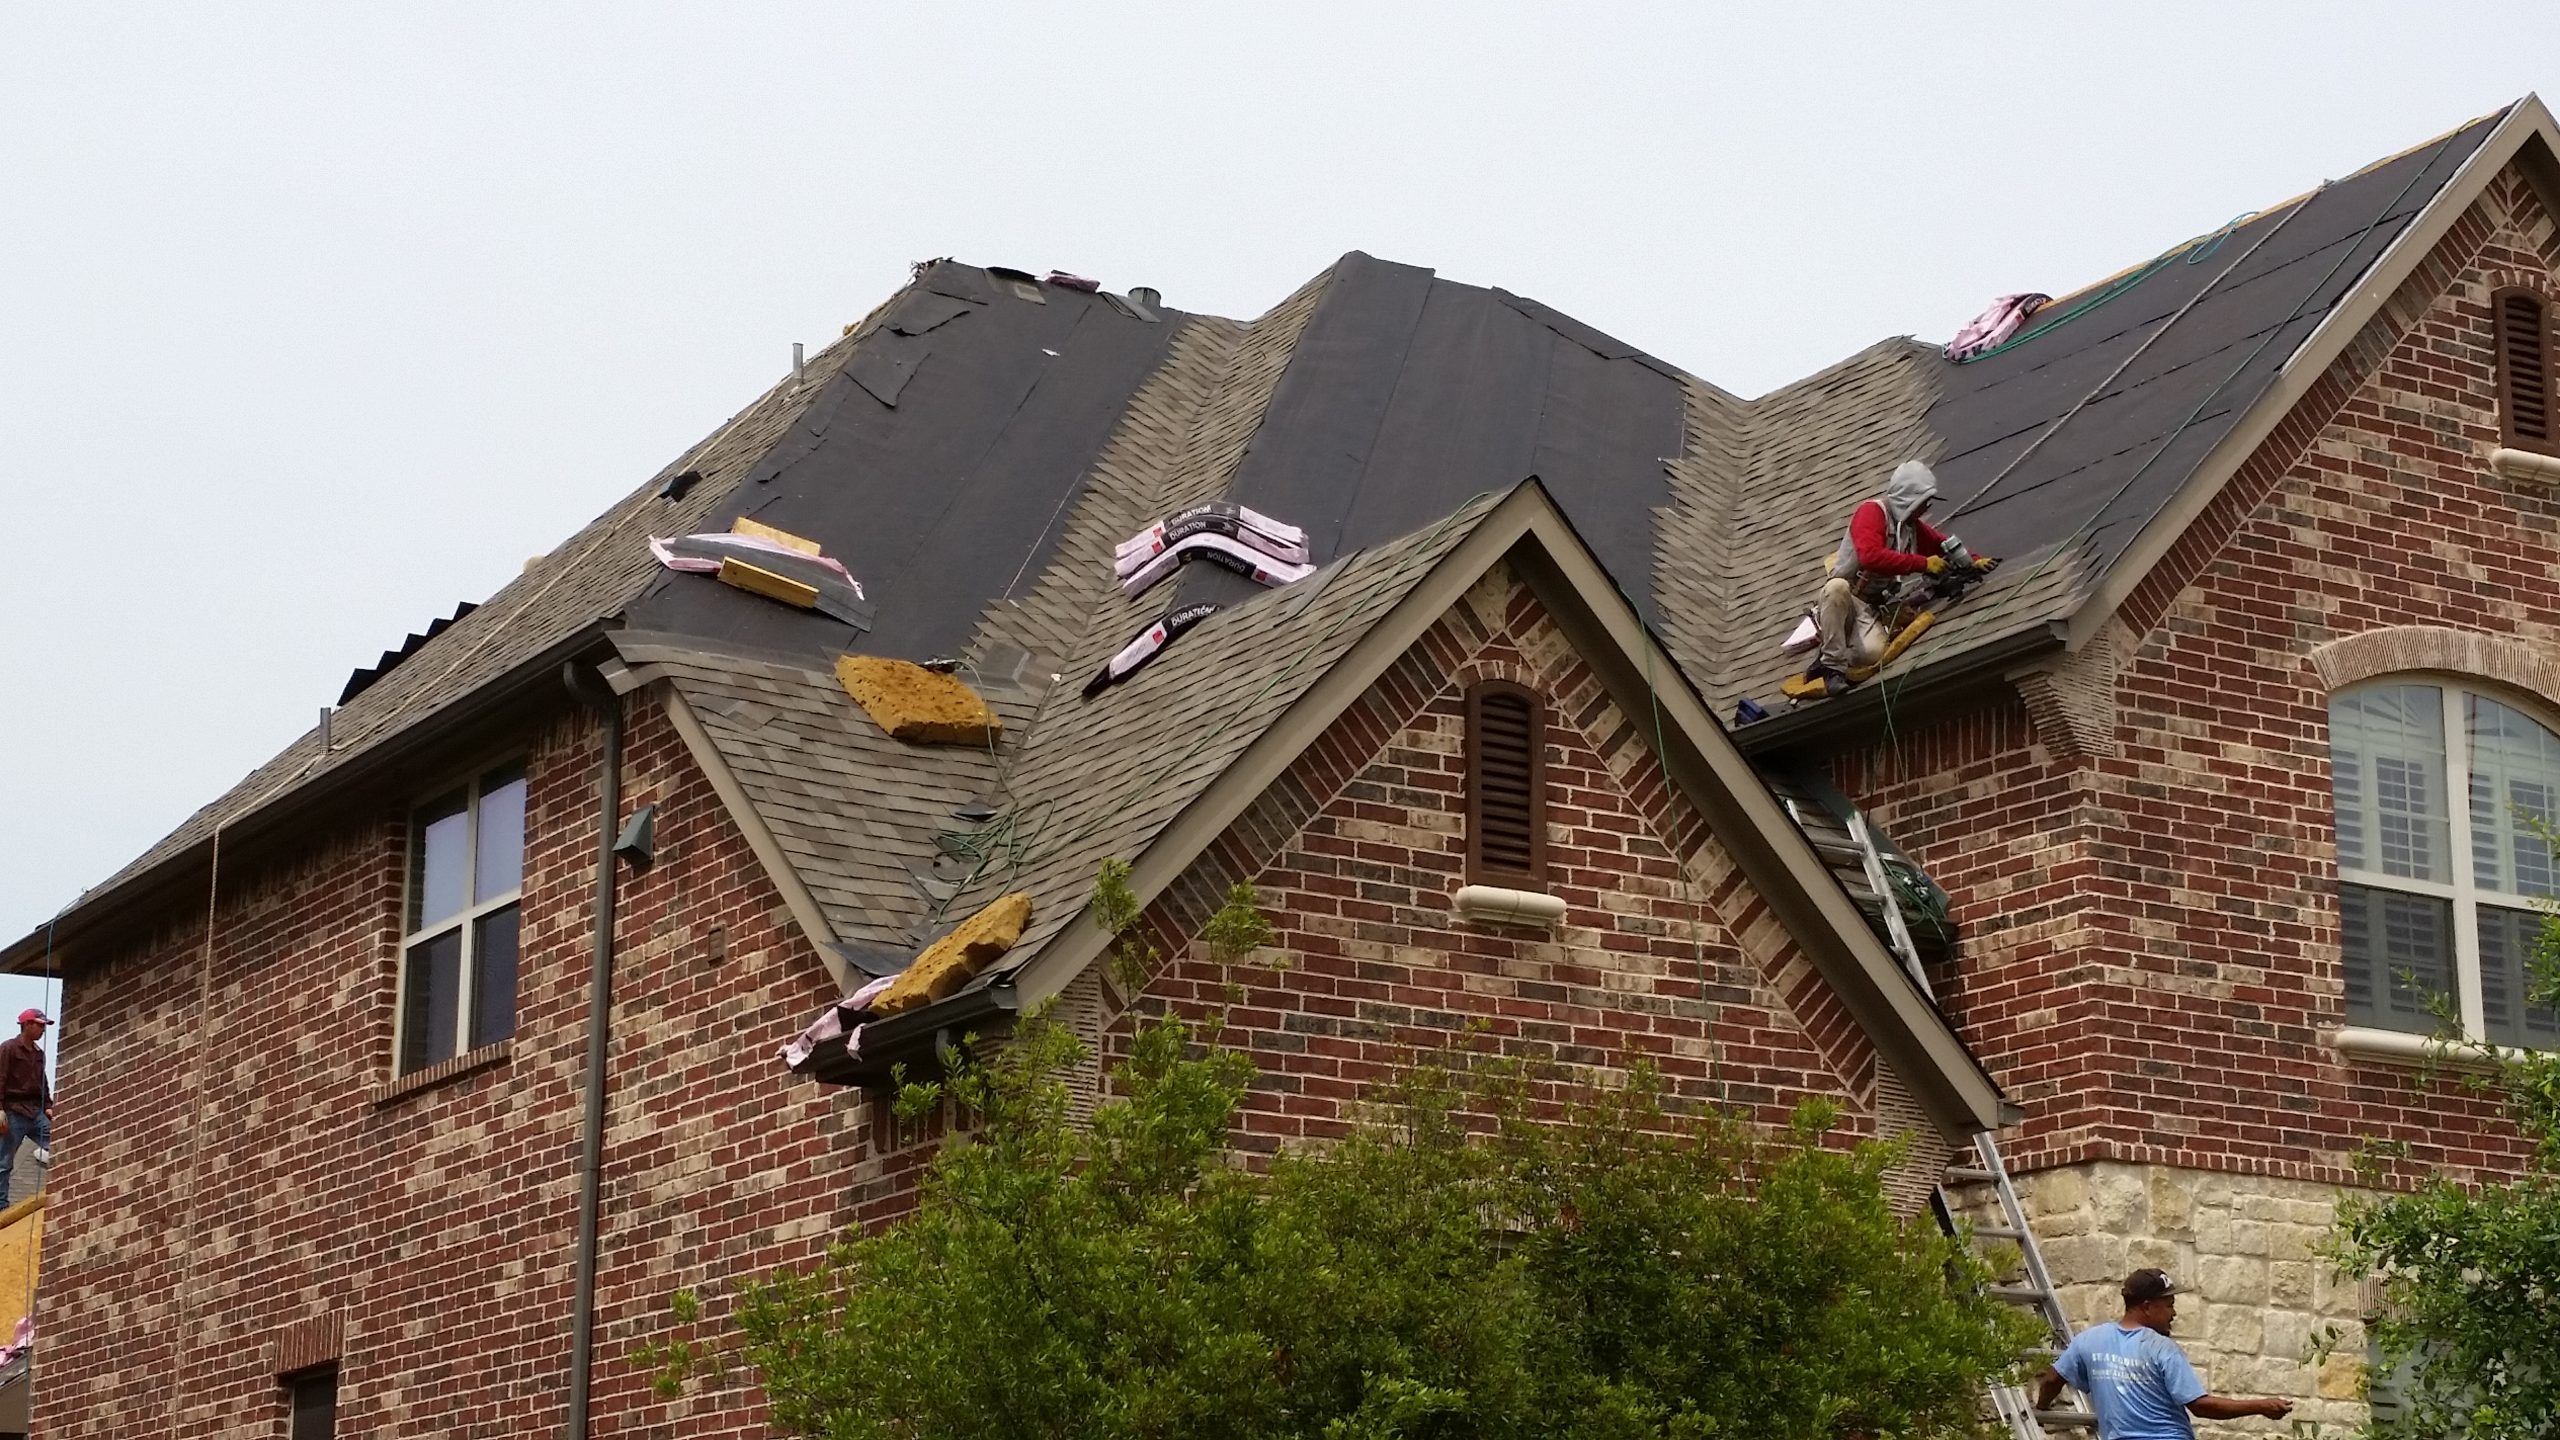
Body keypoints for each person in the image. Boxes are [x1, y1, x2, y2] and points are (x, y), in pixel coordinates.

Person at [1803, 460, 1996, 693]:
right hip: (1845, 599)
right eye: (1924, 502)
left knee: (1871, 654)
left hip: (1868, 607)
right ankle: (1831, 669)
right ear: (1909, 498)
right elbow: (1870, 557)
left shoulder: (1910, 527)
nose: (1926, 508)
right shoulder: (1872, 512)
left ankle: (1831, 652)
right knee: (1836, 588)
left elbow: (1940, 544)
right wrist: (1923, 564)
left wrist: (1973, 560)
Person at [2035, 1269, 2296, 1438]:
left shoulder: (2089, 1340)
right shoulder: (2161, 1349)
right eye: (2169, 1305)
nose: (2174, 1313)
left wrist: (2042, 1409)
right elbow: (2200, 1406)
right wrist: (2260, 1406)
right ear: (2147, 1307)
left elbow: (2051, 1380)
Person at [0, 1009, 48, 1200]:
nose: (43, 1030)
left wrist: (48, 1106)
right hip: (13, 1111)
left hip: (34, 1111)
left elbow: (42, 1082)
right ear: (27, 1025)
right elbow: (0, 1077)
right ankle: (1, 1205)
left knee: (61, 1145)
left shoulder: (38, 1054)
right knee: (4, 1161)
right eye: (40, 1025)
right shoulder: (9, 1048)